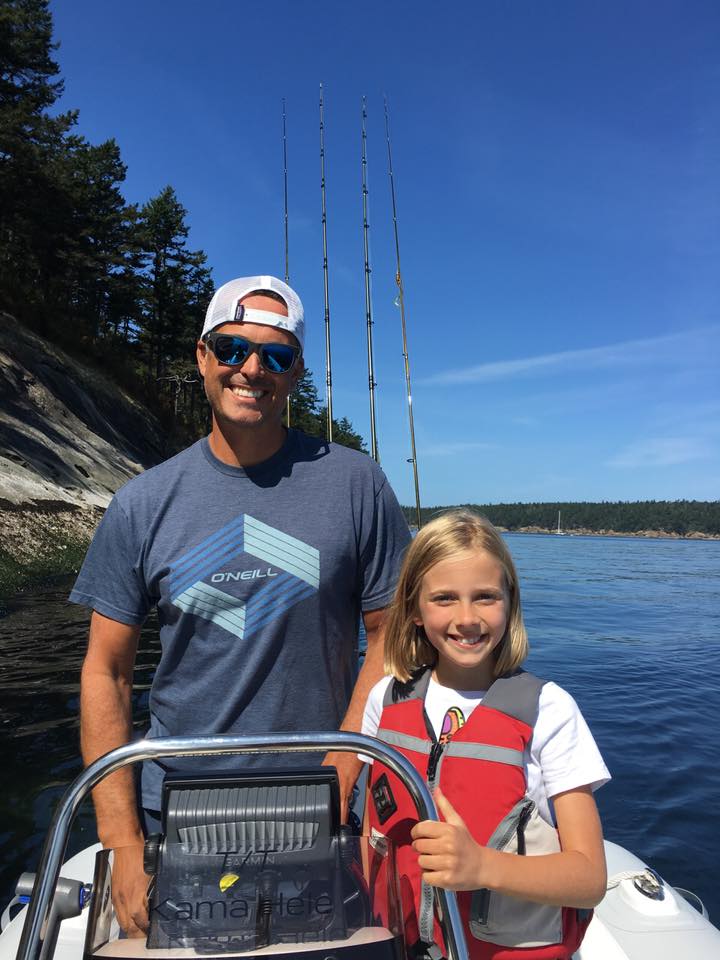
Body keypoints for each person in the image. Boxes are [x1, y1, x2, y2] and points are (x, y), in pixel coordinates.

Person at [71, 275, 411, 936]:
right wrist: (122, 843)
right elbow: (104, 673)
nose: (252, 369)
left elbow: (392, 635)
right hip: (176, 809)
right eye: (233, 349)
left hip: (321, 805)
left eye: (276, 356)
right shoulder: (141, 503)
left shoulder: (356, 483)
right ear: (203, 356)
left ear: (295, 372)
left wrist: (344, 767)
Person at [362, 510, 609, 960]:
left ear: (510, 602)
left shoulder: (549, 709)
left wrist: (482, 866)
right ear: (415, 608)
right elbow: (371, 831)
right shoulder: (386, 698)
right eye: (444, 598)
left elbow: (590, 878)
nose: (467, 618)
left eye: (485, 597)